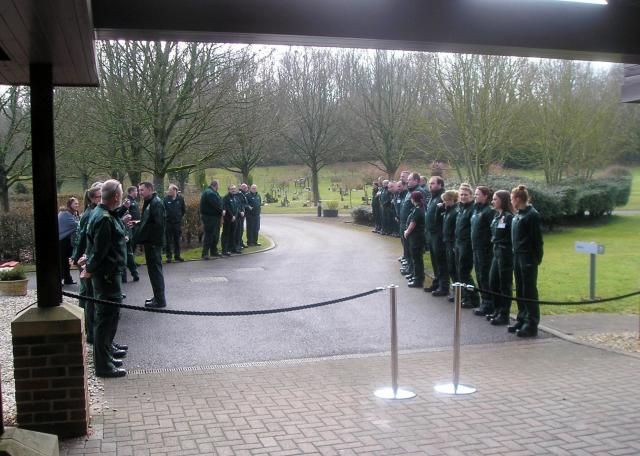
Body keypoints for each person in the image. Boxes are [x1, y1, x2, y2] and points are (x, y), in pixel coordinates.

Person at [80, 179, 128, 378]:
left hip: (108, 274)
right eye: (122, 194)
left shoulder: (101, 214)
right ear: (116, 196)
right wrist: (89, 268)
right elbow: (99, 251)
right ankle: (103, 365)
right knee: (105, 320)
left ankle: (106, 357)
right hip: (107, 277)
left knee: (108, 319)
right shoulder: (104, 218)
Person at [510, 185, 544, 337]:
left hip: (527, 257)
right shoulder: (518, 215)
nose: (511, 202)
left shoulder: (532, 215)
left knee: (529, 290)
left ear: (517, 199)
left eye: (512, 199)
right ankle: (522, 317)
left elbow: (537, 239)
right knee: (521, 289)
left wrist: (536, 258)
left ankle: (532, 323)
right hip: (517, 255)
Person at [71, 185, 102, 344]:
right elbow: (84, 238)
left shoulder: (91, 213)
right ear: (92, 198)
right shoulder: (91, 214)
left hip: (85, 260)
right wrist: (79, 259)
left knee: (88, 296)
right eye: (99, 196)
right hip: (87, 261)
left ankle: (92, 333)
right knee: (89, 298)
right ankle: (91, 333)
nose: (102, 198)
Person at [136, 181, 167, 308]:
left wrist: (151, 240)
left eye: (142, 190)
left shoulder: (156, 203)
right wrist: (139, 223)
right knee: (153, 271)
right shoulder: (151, 202)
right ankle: (157, 297)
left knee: (155, 271)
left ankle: (160, 300)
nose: (140, 192)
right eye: (139, 190)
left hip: (153, 243)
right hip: (151, 242)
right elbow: (150, 221)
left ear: (150, 189)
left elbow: (158, 225)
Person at [486, 190, 514, 326]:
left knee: (505, 284)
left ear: (502, 200)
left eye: (495, 199)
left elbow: (510, 237)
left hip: (505, 253)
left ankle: (504, 314)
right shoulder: (497, 216)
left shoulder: (509, 217)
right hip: (496, 252)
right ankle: (497, 310)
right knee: (493, 282)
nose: (493, 201)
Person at [470, 186, 495, 316]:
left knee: (485, 276)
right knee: (479, 275)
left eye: (478, 194)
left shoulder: (489, 211)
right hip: (476, 248)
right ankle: (484, 301)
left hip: (485, 250)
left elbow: (493, 232)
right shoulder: (476, 210)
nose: (475, 196)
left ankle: (489, 303)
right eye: (475, 194)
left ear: (485, 196)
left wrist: (488, 246)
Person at [454, 184, 480, 309]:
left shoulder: (473, 209)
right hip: (459, 243)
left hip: (467, 244)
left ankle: (473, 298)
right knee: (460, 272)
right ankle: (464, 296)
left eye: (466, 195)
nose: (463, 197)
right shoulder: (461, 208)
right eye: (461, 194)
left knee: (465, 272)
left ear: (471, 196)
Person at [424, 176, 448, 296]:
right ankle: (437, 283)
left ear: (440, 185)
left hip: (439, 235)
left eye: (433, 183)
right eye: (430, 183)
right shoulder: (433, 197)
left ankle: (443, 286)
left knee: (441, 261)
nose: (430, 185)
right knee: (434, 260)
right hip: (431, 234)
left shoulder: (442, 197)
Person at [404, 191, 426, 288]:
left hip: (416, 238)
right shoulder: (419, 208)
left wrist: (407, 232)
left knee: (417, 259)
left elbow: (413, 223)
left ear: (413, 199)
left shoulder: (418, 210)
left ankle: (418, 280)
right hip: (416, 238)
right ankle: (415, 275)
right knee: (415, 258)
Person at [441, 190, 459, 303]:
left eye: (446, 200)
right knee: (451, 268)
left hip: (452, 243)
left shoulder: (455, 212)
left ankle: (458, 292)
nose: (444, 203)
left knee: (454, 268)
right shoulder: (448, 210)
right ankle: (456, 291)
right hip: (447, 241)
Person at [199, 180, 223, 259]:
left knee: (215, 235)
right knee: (209, 235)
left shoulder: (212, 192)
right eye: (218, 185)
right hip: (210, 217)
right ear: (216, 185)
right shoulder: (210, 193)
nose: (219, 187)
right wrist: (222, 211)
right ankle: (205, 253)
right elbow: (217, 205)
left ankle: (214, 251)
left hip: (213, 217)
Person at [58, 197, 79, 285]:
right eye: (75, 203)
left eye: (78, 203)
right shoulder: (65, 214)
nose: (77, 205)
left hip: (66, 240)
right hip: (62, 240)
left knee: (65, 261)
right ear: (70, 204)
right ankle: (60, 279)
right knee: (63, 261)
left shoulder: (71, 213)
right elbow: (76, 225)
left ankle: (67, 279)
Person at [121, 186, 140, 283]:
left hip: (127, 231)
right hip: (124, 232)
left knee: (127, 254)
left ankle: (132, 274)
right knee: (126, 254)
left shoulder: (126, 204)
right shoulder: (126, 202)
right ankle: (130, 274)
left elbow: (127, 218)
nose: (137, 192)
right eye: (136, 191)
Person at [163, 184, 186, 263]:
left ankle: (177, 256)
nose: (169, 192)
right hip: (168, 223)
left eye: (171, 190)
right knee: (168, 240)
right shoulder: (165, 199)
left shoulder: (180, 199)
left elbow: (183, 210)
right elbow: (163, 211)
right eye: (169, 190)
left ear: (175, 190)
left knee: (177, 240)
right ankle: (168, 257)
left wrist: (179, 217)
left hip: (177, 223)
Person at [221, 184, 239, 256]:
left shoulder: (235, 197)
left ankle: (232, 248)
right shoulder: (226, 198)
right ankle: (224, 250)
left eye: (234, 189)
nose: (233, 190)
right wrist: (232, 216)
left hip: (234, 219)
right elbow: (226, 208)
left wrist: (235, 216)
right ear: (228, 190)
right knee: (226, 234)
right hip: (228, 219)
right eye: (232, 189)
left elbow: (237, 208)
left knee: (233, 234)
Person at [234, 183, 249, 250]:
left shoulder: (243, 194)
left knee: (241, 230)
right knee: (239, 230)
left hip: (242, 215)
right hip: (239, 215)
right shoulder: (239, 194)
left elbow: (244, 203)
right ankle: (238, 243)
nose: (247, 189)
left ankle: (240, 242)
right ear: (242, 188)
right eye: (245, 188)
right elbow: (240, 204)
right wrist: (242, 210)